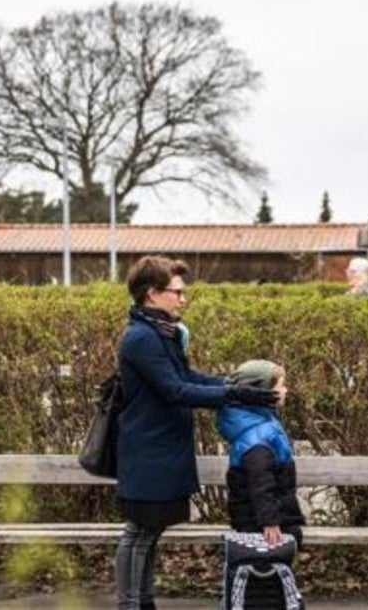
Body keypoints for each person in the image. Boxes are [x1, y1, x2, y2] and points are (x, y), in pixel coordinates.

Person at [115, 255, 278, 610]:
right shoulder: (142, 338)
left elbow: (189, 379)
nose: (183, 298)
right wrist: (234, 393)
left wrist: (231, 383)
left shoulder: (162, 334)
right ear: (153, 294)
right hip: (148, 450)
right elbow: (174, 390)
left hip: (161, 450)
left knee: (148, 532)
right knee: (139, 532)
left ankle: (142, 602)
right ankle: (131, 605)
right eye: (177, 292)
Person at [216, 360, 305, 548]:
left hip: (267, 519)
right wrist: (270, 521)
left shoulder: (260, 423)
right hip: (262, 526)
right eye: (281, 386)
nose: (286, 390)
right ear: (263, 392)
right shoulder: (257, 438)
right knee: (268, 568)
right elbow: (260, 483)